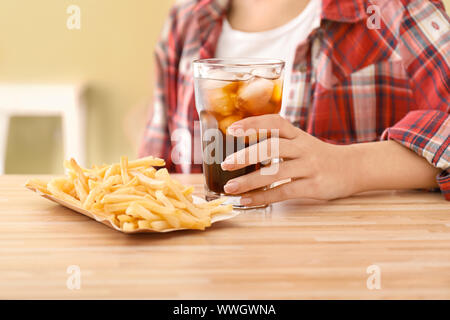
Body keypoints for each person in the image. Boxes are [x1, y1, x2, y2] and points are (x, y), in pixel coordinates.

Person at [139, 0, 450, 206]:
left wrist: (348, 165)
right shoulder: (187, 19)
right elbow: (151, 173)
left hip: (344, 264)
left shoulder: (393, 8)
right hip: (211, 268)